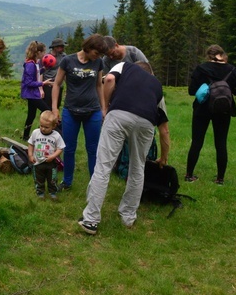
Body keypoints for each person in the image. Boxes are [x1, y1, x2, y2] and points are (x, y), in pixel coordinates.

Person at [79, 61, 170, 235]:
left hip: (119, 115)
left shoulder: (125, 66)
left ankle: (91, 219)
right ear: (150, 73)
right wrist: (164, 157)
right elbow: (164, 130)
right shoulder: (156, 86)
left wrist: (105, 108)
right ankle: (128, 216)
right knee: (137, 169)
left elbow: (110, 79)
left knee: (103, 166)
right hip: (146, 124)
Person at [185, 45, 236, 185]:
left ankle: (189, 175)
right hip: (223, 110)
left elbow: (191, 91)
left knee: (197, 142)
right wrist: (229, 89)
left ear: (208, 56)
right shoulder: (232, 70)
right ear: (222, 55)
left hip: (202, 109)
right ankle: (220, 179)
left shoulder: (201, 68)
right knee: (221, 144)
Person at [51, 34, 108, 189]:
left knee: (93, 148)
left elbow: (99, 85)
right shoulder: (68, 61)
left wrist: (103, 108)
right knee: (69, 148)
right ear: (88, 48)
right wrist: (55, 109)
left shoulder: (98, 62)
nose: (98, 57)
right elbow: (57, 84)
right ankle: (67, 181)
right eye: (96, 53)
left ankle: (94, 183)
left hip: (93, 111)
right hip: (70, 111)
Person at [27, 110, 65, 201]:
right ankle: (40, 193)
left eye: (46, 127)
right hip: (38, 162)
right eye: (41, 126)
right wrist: (30, 155)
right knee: (39, 179)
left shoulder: (56, 136)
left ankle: (53, 193)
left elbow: (60, 148)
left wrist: (53, 156)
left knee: (52, 179)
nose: (43, 129)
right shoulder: (36, 133)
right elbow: (31, 144)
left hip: (51, 163)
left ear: (53, 126)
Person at [21, 41, 52, 140]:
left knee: (31, 115)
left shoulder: (35, 63)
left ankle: (26, 136)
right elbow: (29, 82)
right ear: (38, 52)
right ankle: (45, 131)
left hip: (33, 94)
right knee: (48, 111)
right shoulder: (30, 64)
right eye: (43, 52)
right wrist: (43, 83)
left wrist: (45, 68)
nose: (44, 54)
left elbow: (36, 74)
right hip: (31, 94)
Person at [42, 38, 67, 111]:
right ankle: (46, 121)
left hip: (59, 84)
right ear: (55, 47)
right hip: (49, 85)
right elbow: (41, 73)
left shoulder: (63, 56)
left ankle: (55, 121)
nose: (63, 48)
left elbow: (65, 71)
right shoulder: (47, 57)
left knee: (57, 105)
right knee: (47, 107)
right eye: (61, 47)